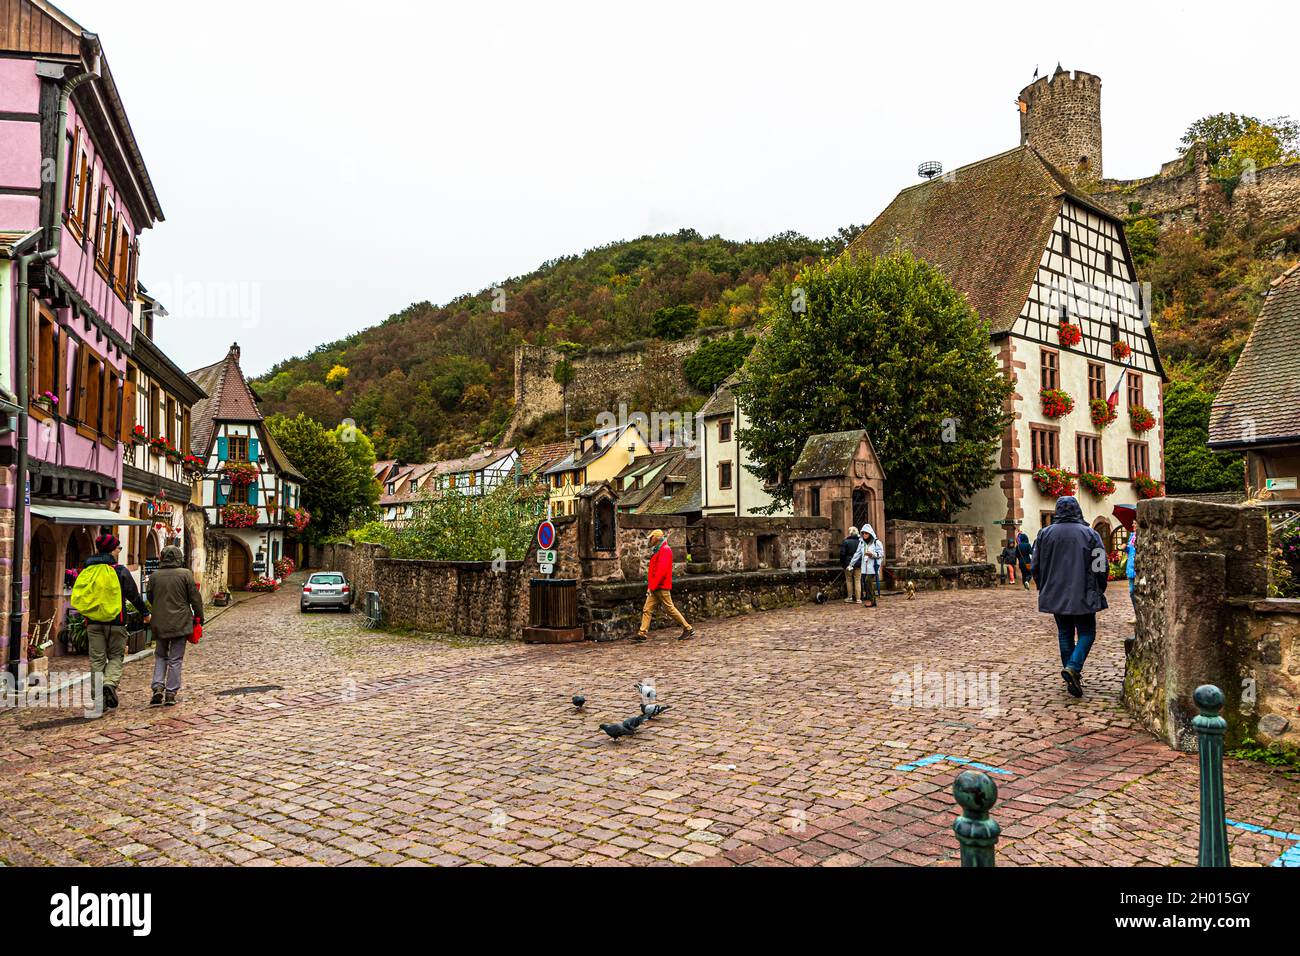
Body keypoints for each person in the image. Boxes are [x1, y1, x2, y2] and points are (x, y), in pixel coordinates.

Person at [1031, 496, 1109, 698]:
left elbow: (1036, 565)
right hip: (1083, 591)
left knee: (1065, 633)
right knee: (1087, 632)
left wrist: (1043, 586)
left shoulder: (1044, 534)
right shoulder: (1090, 534)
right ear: (1078, 510)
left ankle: (1071, 671)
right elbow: (1100, 565)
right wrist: (1100, 586)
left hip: (1055, 591)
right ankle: (1073, 667)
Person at [74, 533, 149, 713]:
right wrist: (145, 613)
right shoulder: (120, 570)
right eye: (118, 548)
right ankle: (109, 683)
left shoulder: (87, 569)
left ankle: (99, 700)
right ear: (112, 550)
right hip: (117, 622)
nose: (119, 551)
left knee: (97, 661)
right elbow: (134, 595)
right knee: (116, 657)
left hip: (93, 623)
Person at [146, 545, 204, 706]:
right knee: (176, 659)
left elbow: (150, 597)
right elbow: (195, 598)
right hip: (180, 622)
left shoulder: (155, 576)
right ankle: (171, 692)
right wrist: (199, 617)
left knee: (160, 656)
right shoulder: (185, 574)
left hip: (160, 622)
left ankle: (157, 686)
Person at [633, 529, 695, 642]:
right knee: (647, 609)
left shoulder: (664, 550)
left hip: (660, 586)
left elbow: (661, 571)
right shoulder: (660, 549)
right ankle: (642, 633)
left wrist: (652, 586)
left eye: (651, 538)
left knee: (670, 608)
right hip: (656, 586)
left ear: (656, 538)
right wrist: (651, 586)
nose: (650, 540)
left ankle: (688, 628)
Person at [859, 525, 884, 608]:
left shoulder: (877, 542)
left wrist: (872, 554)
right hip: (866, 567)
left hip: (873, 567)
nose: (864, 535)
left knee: (868, 580)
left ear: (870, 534)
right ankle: (872, 600)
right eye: (863, 533)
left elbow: (881, 554)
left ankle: (871, 600)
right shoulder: (863, 543)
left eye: (866, 533)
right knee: (867, 582)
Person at [840, 526, 863, 603]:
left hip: (848, 563)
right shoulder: (860, 541)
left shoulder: (845, 541)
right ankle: (858, 599)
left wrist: (843, 564)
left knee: (849, 580)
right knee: (857, 580)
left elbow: (842, 554)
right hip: (858, 563)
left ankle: (850, 597)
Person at [1125, 530, 1137, 599]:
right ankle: (1136, 609)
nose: (1133, 525)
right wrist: (1126, 548)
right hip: (1130, 567)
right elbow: (1130, 550)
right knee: (1131, 591)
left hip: (1137, 567)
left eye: (1135, 523)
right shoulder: (1132, 535)